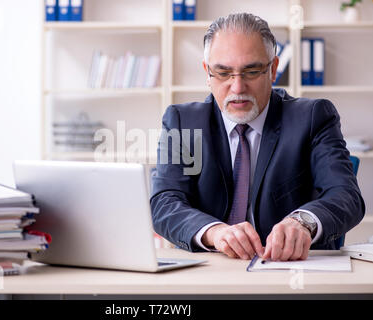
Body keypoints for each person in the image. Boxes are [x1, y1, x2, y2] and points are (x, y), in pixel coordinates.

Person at [150, 13, 365, 261]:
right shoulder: (183, 122)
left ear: (273, 69)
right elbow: (165, 202)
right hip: (212, 270)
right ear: (207, 73)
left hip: (290, 272)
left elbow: (345, 196)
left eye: (251, 71)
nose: (238, 87)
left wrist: (303, 222)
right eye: (223, 72)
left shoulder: (313, 117)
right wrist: (214, 232)